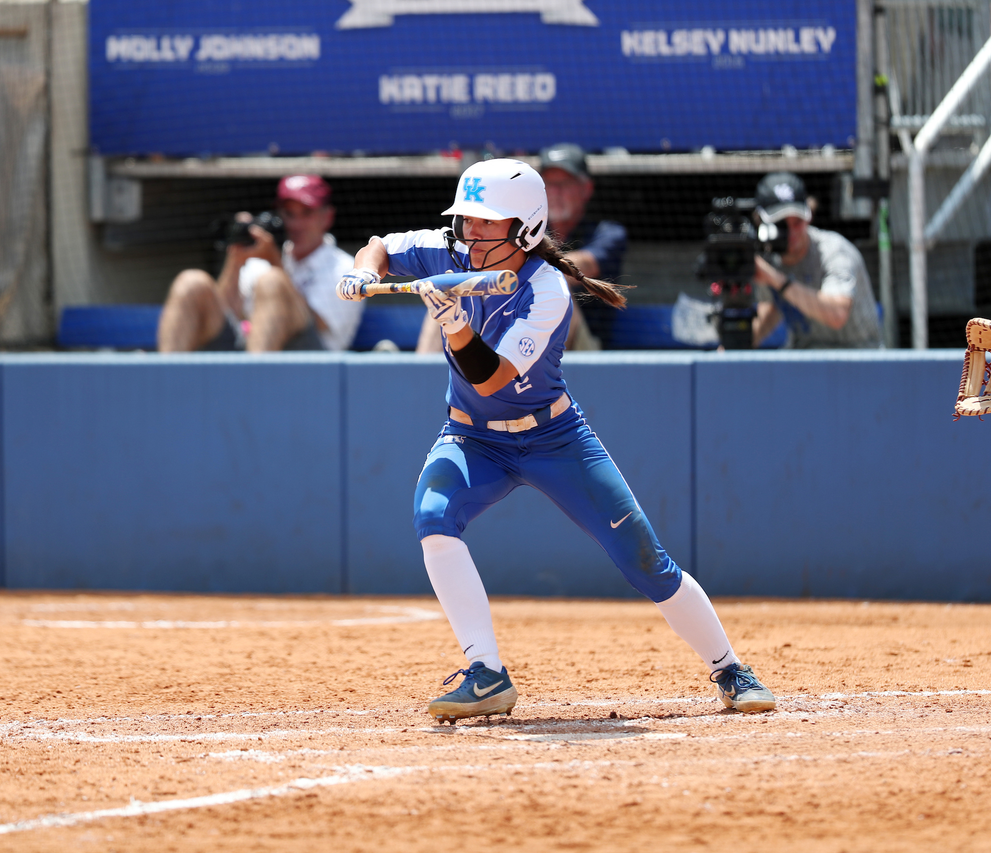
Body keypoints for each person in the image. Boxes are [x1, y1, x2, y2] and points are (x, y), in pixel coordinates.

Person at [337, 158, 776, 723]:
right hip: (472, 438)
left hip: (554, 437)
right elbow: (380, 245)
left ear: (526, 228)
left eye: (487, 223)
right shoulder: (447, 249)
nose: (471, 233)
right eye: (467, 221)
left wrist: (452, 323)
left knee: (645, 558)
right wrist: (362, 272)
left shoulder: (547, 292)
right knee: (433, 514)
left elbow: (491, 377)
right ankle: (485, 672)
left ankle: (728, 667)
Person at [416, 144, 625, 353]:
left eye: (565, 183)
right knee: (446, 296)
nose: (556, 191)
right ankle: (421, 377)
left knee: (556, 287)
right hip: (509, 337)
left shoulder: (607, 232)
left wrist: (505, 274)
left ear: (585, 189)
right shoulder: (521, 229)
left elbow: (583, 264)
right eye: (549, 184)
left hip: (580, 352)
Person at [157, 175, 360, 353]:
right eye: (289, 214)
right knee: (191, 282)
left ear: (327, 216)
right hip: (249, 353)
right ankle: (164, 387)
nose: (296, 224)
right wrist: (235, 259)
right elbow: (228, 314)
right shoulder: (261, 257)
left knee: (272, 282)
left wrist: (275, 263)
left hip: (314, 367)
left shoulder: (346, 267)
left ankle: (253, 388)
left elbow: (321, 325)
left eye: (306, 213)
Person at [750, 172, 882, 349]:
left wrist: (777, 280)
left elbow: (837, 315)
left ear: (809, 216)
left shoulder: (834, 250)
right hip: (804, 357)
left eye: (797, 222)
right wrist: (733, 345)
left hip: (857, 358)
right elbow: (771, 311)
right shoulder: (770, 260)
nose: (792, 232)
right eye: (781, 224)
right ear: (762, 222)